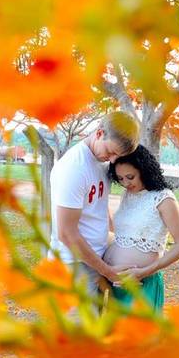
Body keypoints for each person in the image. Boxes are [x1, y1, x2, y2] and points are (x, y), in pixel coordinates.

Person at [50, 112, 140, 299]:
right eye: (111, 151)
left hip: (95, 261)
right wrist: (108, 271)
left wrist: (117, 240)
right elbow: (66, 234)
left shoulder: (101, 161)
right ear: (99, 133)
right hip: (73, 266)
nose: (113, 160)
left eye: (118, 155)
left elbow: (100, 205)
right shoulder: (74, 168)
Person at [104, 145, 179, 312]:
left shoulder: (164, 199)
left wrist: (143, 272)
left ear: (144, 170)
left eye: (130, 177)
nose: (126, 183)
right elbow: (123, 233)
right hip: (118, 284)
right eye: (120, 179)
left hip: (143, 283)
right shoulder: (128, 195)